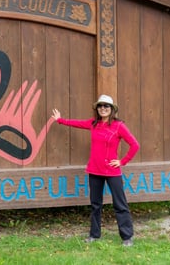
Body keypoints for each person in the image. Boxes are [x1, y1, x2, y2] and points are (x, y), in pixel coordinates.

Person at [51, 94, 140, 247]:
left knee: (120, 204)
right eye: (100, 106)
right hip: (95, 170)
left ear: (111, 109)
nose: (103, 108)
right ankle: (94, 235)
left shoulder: (119, 126)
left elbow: (135, 145)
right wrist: (60, 120)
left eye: (106, 106)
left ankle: (127, 237)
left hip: (112, 172)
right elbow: (77, 123)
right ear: (97, 109)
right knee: (95, 205)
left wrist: (121, 162)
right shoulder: (93, 124)